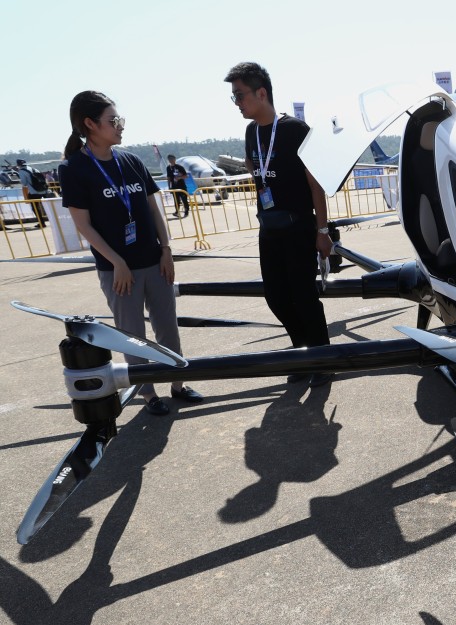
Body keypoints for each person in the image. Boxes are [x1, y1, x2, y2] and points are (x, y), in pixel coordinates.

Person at [58, 91, 202, 415]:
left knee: (167, 326)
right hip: (118, 271)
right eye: (113, 120)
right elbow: (83, 225)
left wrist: (166, 249)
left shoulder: (131, 161)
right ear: (90, 124)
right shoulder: (74, 168)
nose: (120, 125)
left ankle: (178, 383)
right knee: (132, 335)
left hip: (155, 262)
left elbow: (154, 208)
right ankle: (147, 392)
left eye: (119, 119)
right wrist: (117, 262)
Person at [224, 62, 333, 387]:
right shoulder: (251, 132)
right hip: (269, 228)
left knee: (303, 295)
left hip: (299, 227)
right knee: (275, 296)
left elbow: (315, 185)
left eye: (240, 95)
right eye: (234, 97)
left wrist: (322, 231)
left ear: (261, 93)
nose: (237, 103)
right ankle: (302, 353)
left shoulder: (295, 129)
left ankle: (323, 360)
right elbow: (255, 168)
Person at [15, 159, 53, 225]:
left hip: (34, 192)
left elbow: (24, 183)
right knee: (49, 207)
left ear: (18, 165)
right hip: (44, 190)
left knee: (35, 208)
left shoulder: (21, 171)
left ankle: (41, 223)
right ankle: (54, 220)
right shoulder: (34, 169)